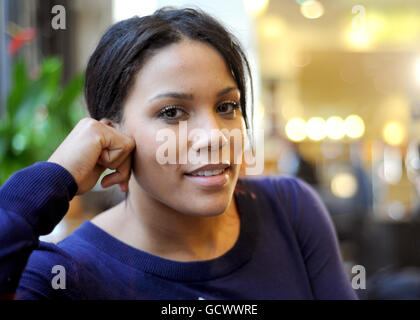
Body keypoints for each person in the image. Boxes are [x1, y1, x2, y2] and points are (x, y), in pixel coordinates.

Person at [0, 7, 357, 299]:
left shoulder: (290, 210)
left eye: (227, 106)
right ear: (109, 134)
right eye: (172, 112)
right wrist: (55, 176)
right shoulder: (64, 276)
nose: (214, 136)